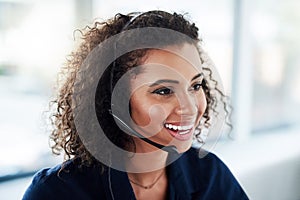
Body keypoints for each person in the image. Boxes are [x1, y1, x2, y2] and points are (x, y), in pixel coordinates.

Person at [22, 10, 248, 200]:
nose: (189, 107)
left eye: (195, 86)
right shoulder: (56, 192)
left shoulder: (210, 176)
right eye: (164, 91)